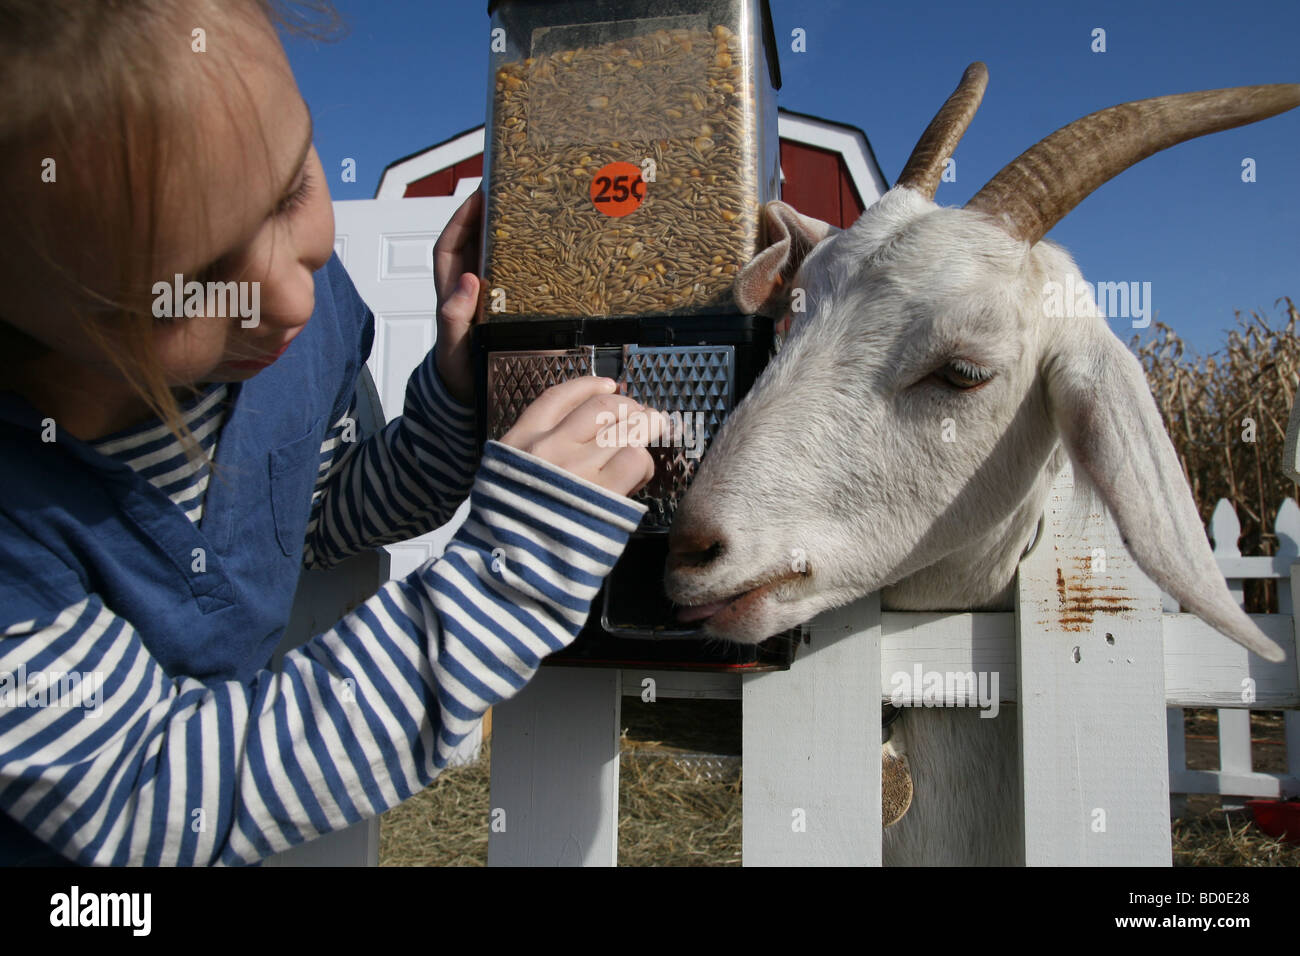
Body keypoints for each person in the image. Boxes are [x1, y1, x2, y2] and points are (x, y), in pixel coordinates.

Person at [0, 0, 666, 865]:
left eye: (291, 192)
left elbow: (319, 510)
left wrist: (451, 412)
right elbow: (143, 794)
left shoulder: (292, 337)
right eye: (191, 285)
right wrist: (506, 582)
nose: (291, 300)